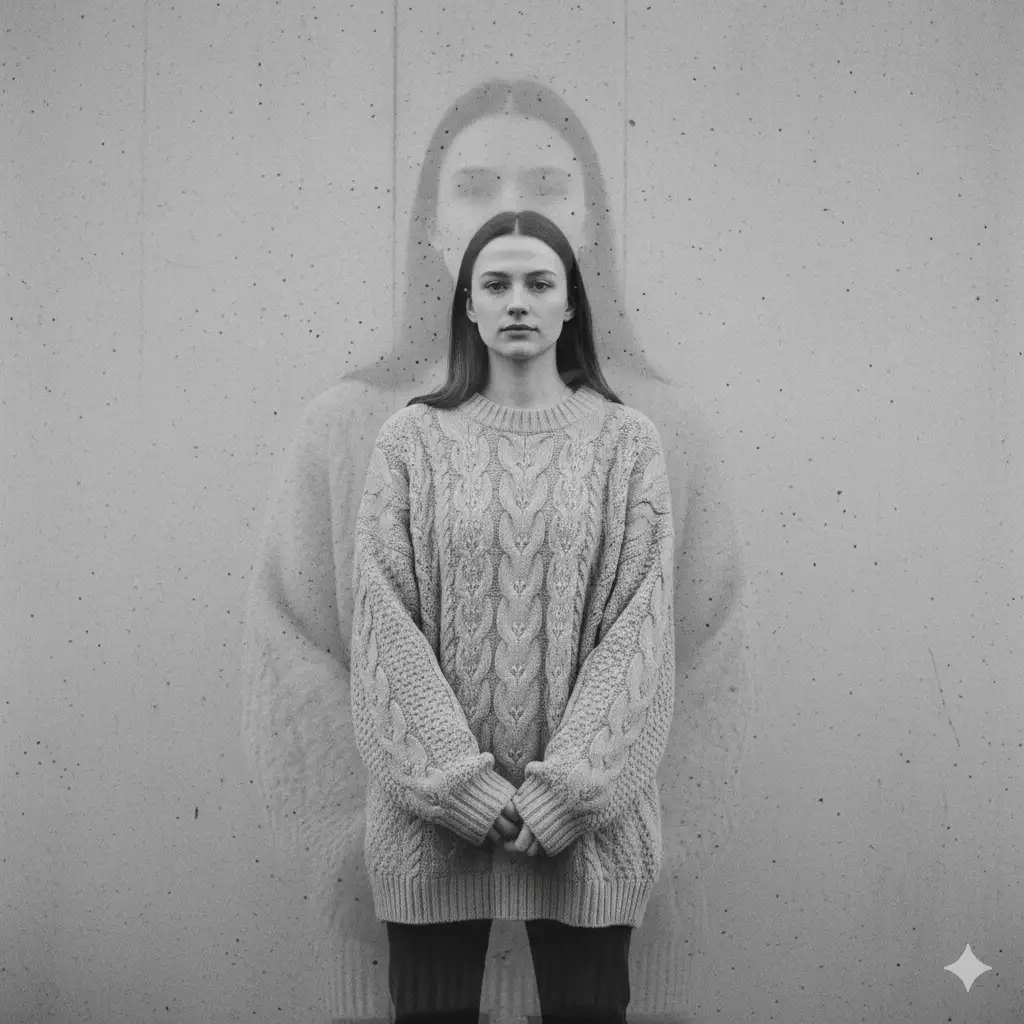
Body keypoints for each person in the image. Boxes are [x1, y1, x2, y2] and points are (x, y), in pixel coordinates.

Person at [240, 78, 753, 1024]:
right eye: (474, 184)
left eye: (540, 281)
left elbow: (647, 644)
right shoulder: (397, 437)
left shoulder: (636, 439)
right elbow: (379, 639)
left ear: (573, 299)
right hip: (427, 844)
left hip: (591, 842)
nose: (518, 301)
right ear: (463, 299)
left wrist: (566, 798)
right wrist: (462, 794)